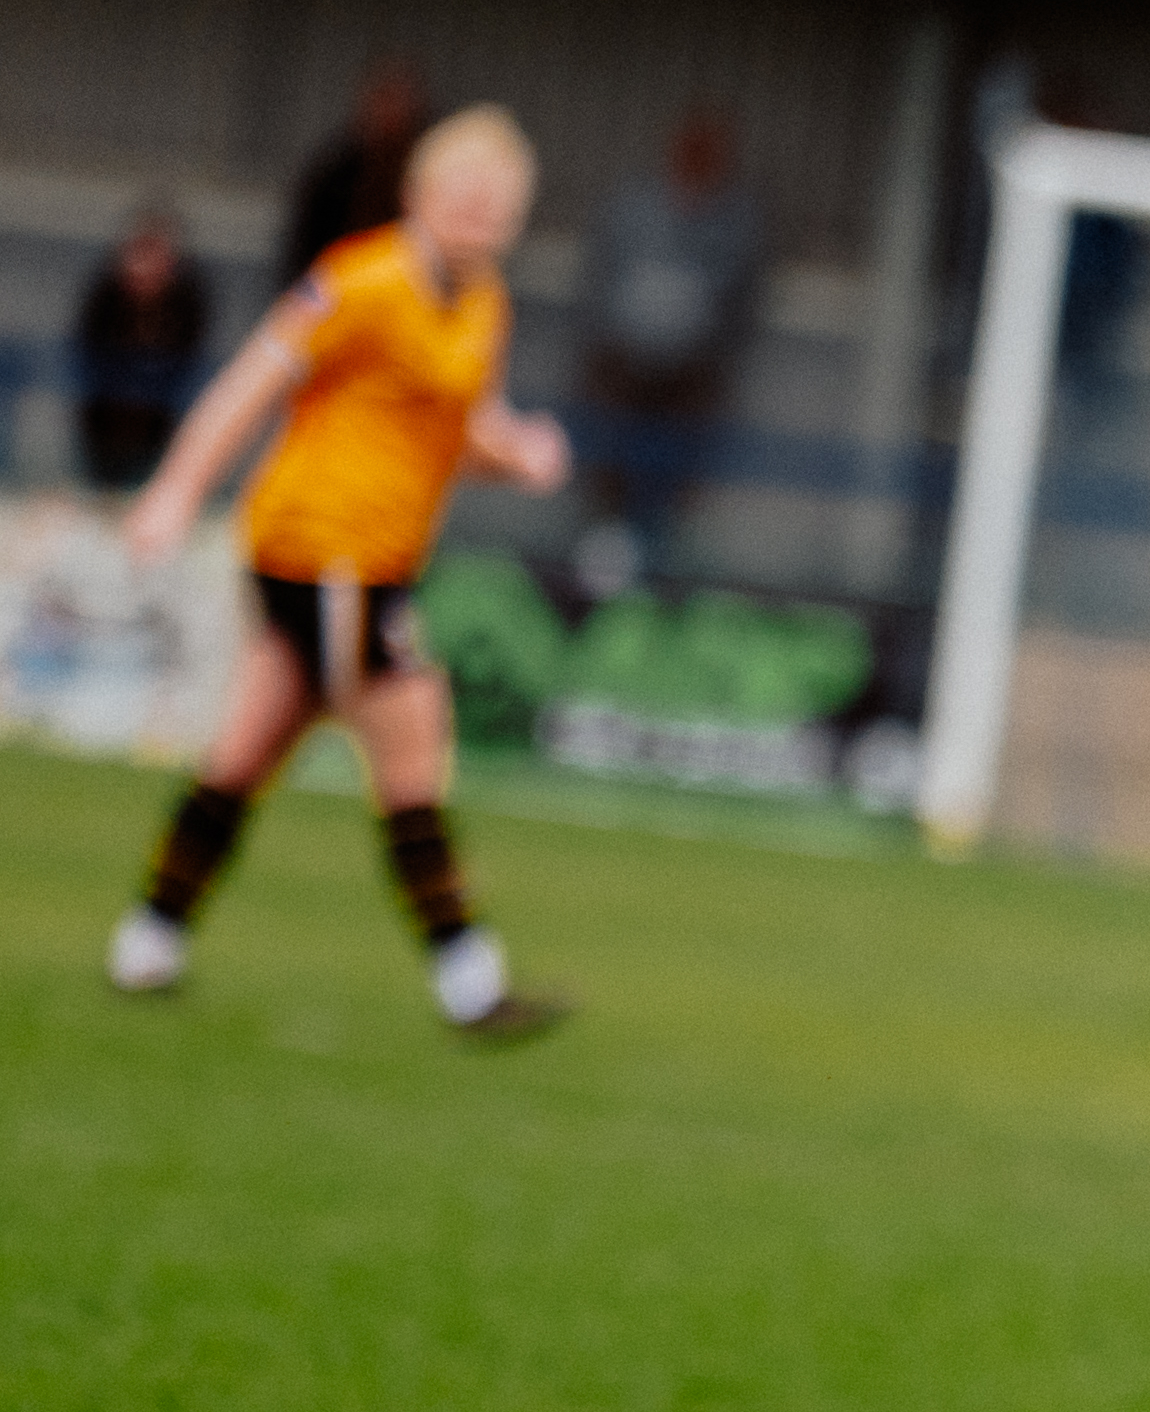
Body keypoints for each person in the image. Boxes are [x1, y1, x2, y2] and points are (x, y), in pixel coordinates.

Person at [104, 106, 578, 1040]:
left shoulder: (484, 306)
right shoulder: (358, 282)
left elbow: (456, 429)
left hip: (373, 562)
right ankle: (469, 979)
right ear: (418, 195)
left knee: (250, 747)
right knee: (414, 727)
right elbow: (251, 383)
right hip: (321, 550)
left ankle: (150, 936)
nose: (479, 212)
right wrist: (175, 489)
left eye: (498, 200)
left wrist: (515, 452)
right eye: (462, 193)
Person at [574, 103, 768, 582]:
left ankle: (663, 574)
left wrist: (717, 358)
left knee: (676, 481)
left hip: (692, 374)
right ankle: (599, 573)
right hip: (621, 363)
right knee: (609, 469)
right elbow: (599, 274)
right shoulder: (634, 202)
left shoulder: (738, 219)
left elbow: (744, 299)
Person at [68, 200, 213, 492]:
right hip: (106, 426)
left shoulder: (188, 301)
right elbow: (87, 353)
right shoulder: (105, 297)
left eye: (154, 254)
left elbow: (190, 360)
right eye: (138, 253)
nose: (144, 267)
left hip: (159, 426)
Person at [278, 58, 434, 283]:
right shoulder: (336, 172)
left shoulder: (429, 177)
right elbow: (305, 242)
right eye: (383, 101)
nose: (390, 115)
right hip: (338, 284)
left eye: (399, 104)